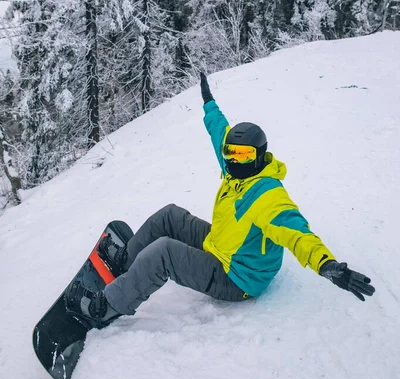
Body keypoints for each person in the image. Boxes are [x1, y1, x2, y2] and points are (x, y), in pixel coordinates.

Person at [65, 73, 375, 328]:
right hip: (222, 244)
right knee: (170, 215)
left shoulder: (267, 195)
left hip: (238, 278)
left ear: (260, 156)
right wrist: (209, 104)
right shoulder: (236, 171)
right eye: (231, 154)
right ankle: (127, 264)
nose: (234, 160)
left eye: (243, 155)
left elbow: (296, 232)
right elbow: (220, 134)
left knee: (164, 254)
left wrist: (328, 264)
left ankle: (106, 307)